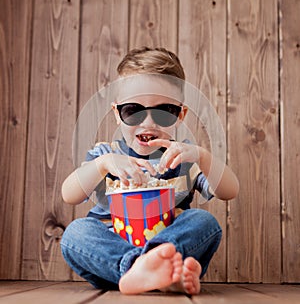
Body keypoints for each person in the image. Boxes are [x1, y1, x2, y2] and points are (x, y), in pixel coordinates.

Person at [60, 47, 239, 295]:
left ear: (180, 114)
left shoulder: (183, 157)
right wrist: (102, 165)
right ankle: (137, 268)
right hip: (111, 258)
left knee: (203, 221)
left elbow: (230, 191)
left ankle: (160, 272)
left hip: (169, 250)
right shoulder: (105, 155)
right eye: (133, 111)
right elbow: (69, 195)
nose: (148, 123)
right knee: (75, 234)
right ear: (117, 113)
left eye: (164, 112)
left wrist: (204, 157)